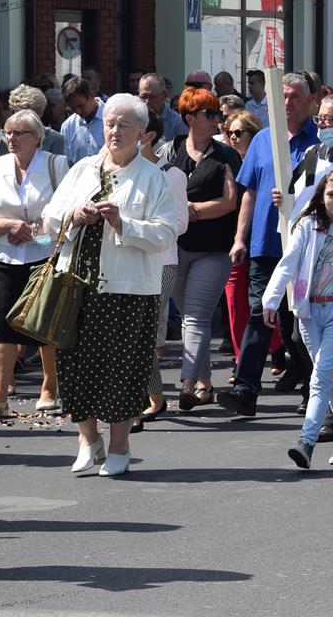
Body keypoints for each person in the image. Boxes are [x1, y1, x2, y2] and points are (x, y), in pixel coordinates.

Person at [41, 94, 178, 474]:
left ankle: (120, 446)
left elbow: (166, 233)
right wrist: (73, 214)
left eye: (124, 126)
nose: (114, 131)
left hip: (129, 291)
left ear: (142, 134)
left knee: (122, 369)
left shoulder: (154, 178)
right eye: (110, 124)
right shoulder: (83, 168)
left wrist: (124, 224)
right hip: (76, 284)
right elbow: (50, 216)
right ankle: (87, 440)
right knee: (73, 366)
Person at [216, 73, 318, 417]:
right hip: (264, 242)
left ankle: (312, 390)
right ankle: (245, 389)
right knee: (261, 314)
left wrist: (296, 195)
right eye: (283, 97)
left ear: (310, 100)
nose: (287, 103)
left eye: (295, 97)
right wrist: (240, 238)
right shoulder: (262, 140)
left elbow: (330, 189)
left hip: (306, 245)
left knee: (300, 318)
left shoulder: (320, 140)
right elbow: (249, 192)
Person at [267, 169, 333, 468]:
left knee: (321, 377)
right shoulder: (308, 226)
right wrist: (272, 298)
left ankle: (307, 440)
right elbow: (288, 261)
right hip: (309, 311)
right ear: (321, 196)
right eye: (331, 195)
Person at [0, 110, 68, 416]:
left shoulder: (56, 164)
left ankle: (50, 386)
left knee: (44, 325)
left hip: (46, 255)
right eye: (8, 132)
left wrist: (32, 230)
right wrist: (7, 227)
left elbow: (67, 210)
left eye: (20, 133)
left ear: (36, 138)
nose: (11, 138)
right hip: (4, 255)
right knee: (0, 323)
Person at [169, 88, 241, 412]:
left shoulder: (225, 156)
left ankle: (185, 384)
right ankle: (205, 384)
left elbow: (230, 202)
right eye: (209, 114)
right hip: (176, 248)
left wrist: (193, 208)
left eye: (217, 114)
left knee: (196, 317)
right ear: (189, 118)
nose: (217, 119)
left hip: (213, 248)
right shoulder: (170, 151)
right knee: (189, 319)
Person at [218, 110, 283, 376]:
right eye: (229, 133)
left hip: (264, 238)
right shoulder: (224, 159)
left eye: (238, 133)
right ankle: (240, 360)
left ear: (253, 134)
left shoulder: (270, 156)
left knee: (267, 304)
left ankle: (279, 350)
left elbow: (247, 196)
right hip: (236, 240)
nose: (233, 138)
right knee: (236, 303)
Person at [136, 107, 189, 425]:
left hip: (162, 262)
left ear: (148, 136)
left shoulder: (172, 175)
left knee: (142, 333)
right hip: (126, 262)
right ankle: (154, 396)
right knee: (134, 334)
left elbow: (180, 223)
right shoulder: (118, 170)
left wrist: (138, 227)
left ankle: (143, 399)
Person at [8, 84, 65, 157]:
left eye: (30, 114)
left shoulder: (54, 139)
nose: (24, 118)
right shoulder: (8, 138)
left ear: (41, 112)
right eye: (19, 113)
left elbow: (57, 167)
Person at [60, 76, 105, 164]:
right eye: (73, 108)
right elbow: (66, 161)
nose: (78, 111)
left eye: (81, 106)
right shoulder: (68, 126)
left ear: (91, 95)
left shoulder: (111, 119)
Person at [138, 72, 189, 143]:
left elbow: (181, 151)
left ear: (165, 96)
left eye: (152, 97)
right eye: (143, 97)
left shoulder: (177, 122)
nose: (147, 102)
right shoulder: (133, 119)